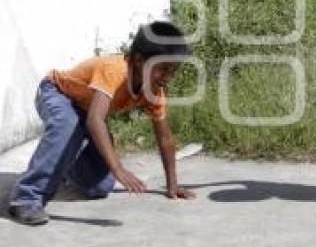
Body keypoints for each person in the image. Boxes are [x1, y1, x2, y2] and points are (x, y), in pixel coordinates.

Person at [7, 21, 197, 225]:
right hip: (57, 93)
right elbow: (95, 120)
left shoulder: (153, 91)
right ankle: (26, 197)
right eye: (163, 69)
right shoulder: (114, 70)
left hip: (86, 111)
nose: (167, 77)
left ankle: (64, 160)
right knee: (67, 124)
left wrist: (172, 185)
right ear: (141, 60)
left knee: (99, 187)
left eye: (173, 71)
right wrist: (118, 168)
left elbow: (164, 137)